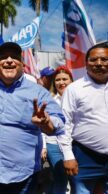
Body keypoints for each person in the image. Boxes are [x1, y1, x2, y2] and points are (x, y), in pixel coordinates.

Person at [0, 42, 65, 194]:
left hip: (24, 177)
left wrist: (47, 123)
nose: (9, 60)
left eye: (15, 57)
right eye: (3, 57)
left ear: (22, 64)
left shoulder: (38, 92)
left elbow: (60, 122)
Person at [58, 41, 108, 193]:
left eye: (104, 59)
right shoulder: (74, 89)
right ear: (86, 64)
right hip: (84, 156)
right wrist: (68, 155)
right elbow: (64, 124)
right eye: (93, 60)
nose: (99, 63)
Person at [44, 65, 73, 194]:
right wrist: (44, 146)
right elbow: (43, 126)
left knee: (75, 179)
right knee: (60, 177)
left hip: (75, 144)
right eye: (57, 80)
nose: (61, 82)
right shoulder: (49, 101)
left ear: (71, 80)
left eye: (64, 79)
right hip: (53, 144)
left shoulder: (77, 98)